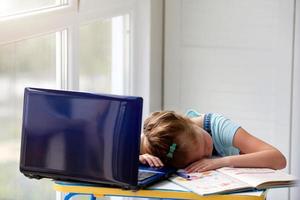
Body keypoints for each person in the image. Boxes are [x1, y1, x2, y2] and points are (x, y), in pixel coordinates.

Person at [139, 110, 286, 173]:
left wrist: (220, 162)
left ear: (188, 121)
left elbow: (278, 159)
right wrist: (140, 158)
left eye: (204, 142)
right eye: (200, 158)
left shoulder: (219, 126)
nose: (207, 152)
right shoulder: (164, 144)